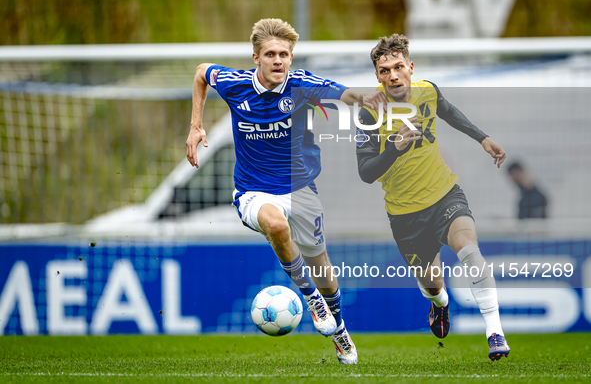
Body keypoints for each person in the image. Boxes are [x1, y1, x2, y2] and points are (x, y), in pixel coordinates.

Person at [186, 18, 383, 364]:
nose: (278, 61)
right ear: (255, 59)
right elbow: (202, 72)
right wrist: (195, 125)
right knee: (276, 226)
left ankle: (339, 329)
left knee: (321, 265)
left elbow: (345, 94)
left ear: (292, 58)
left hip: (301, 187)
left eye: (285, 54)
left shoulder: (302, 84)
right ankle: (310, 299)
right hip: (253, 190)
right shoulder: (235, 84)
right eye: (271, 54)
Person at [355, 34, 510, 361]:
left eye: (398, 67)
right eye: (385, 71)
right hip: (405, 216)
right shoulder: (370, 112)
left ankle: (495, 332)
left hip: (444, 196)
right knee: (432, 285)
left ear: (410, 67)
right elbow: (366, 172)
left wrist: (483, 139)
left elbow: (450, 112)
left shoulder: (428, 91)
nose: (393, 75)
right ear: (377, 77)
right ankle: (439, 304)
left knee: (470, 250)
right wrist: (394, 150)